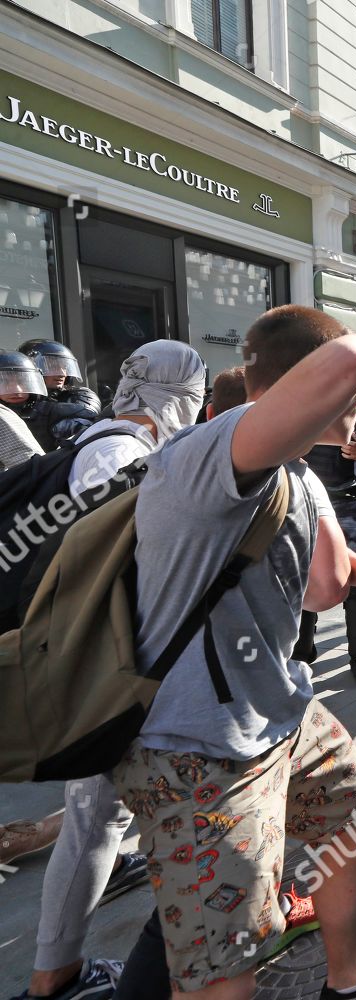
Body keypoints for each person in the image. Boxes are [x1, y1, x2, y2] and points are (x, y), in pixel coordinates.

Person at [108, 305, 356, 1000]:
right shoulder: (215, 449)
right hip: (198, 752)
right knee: (225, 975)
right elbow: (351, 365)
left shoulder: (285, 469)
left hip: (276, 715)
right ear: (315, 385)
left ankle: (350, 981)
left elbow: (320, 590)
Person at [14, 342, 207, 1000]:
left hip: (97, 664)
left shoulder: (101, 440)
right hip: (107, 671)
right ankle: (60, 979)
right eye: (192, 395)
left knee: (99, 818)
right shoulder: (120, 455)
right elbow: (131, 570)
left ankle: (57, 974)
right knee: (100, 818)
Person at [300, 392, 356, 680]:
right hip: (308, 500)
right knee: (303, 574)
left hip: (351, 502)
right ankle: (302, 648)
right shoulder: (303, 405)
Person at [0, 351, 93, 451]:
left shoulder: (52, 413)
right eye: (6, 382)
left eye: (22, 381)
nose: (17, 390)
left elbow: (88, 439)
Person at [19, 340, 102, 414]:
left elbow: (87, 410)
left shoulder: (77, 395)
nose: (62, 374)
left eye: (65, 367)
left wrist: (43, 409)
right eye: (52, 367)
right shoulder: (16, 398)